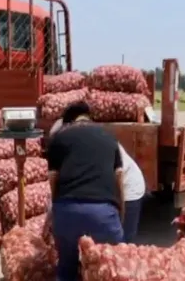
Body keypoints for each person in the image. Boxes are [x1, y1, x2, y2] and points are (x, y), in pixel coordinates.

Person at [46, 102, 125, 280]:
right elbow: (119, 179)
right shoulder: (110, 138)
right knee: (112, 267)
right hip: (103, 213)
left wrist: (57, 212)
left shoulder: (59, 139)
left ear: (68, 123)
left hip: (68, 211)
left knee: (67, 267)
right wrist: (121, 212)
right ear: (89, 117)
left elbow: (53, 181)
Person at [49, 118, 146, 244]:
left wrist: (118, 214)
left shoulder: (93, 143)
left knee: (122, 245)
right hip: (107, 195)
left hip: (129, 188)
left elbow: (118, 179)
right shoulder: (72, 147)